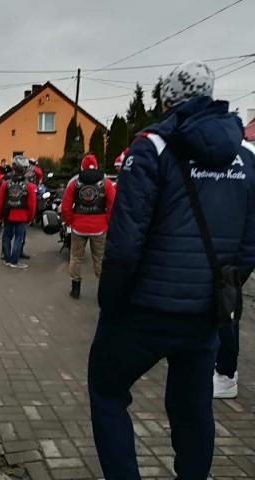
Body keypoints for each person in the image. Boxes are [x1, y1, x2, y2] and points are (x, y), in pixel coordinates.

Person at [89, 60, 255, 480]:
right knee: (193, 409)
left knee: (107, 391)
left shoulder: (152, 147)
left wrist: (111, 302)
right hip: (203, 315)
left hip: (144, 310)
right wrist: (221, 289)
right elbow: (250, 244)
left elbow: (126, 241)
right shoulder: (245, 157)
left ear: (168, 99)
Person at [61, 154, 115, 299]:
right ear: (96, 166)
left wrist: (69, 221)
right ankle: (103, 290)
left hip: (78, 226)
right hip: (99, 227)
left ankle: (75, 289)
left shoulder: (74, 183)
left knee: (76, 258)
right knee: (100, 258)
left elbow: (65, 206)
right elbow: (113, 205)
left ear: (82, 167)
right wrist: (108, 221)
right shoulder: (106, 183)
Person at [0, 157, 35, 268]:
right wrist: (30, 218)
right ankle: (14, 261)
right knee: (19, 238)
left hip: (8, 214)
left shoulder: (5, 184)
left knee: (6, 236)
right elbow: (32, 205)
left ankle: (7, 259)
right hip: (22, 216)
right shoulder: (29, 186)